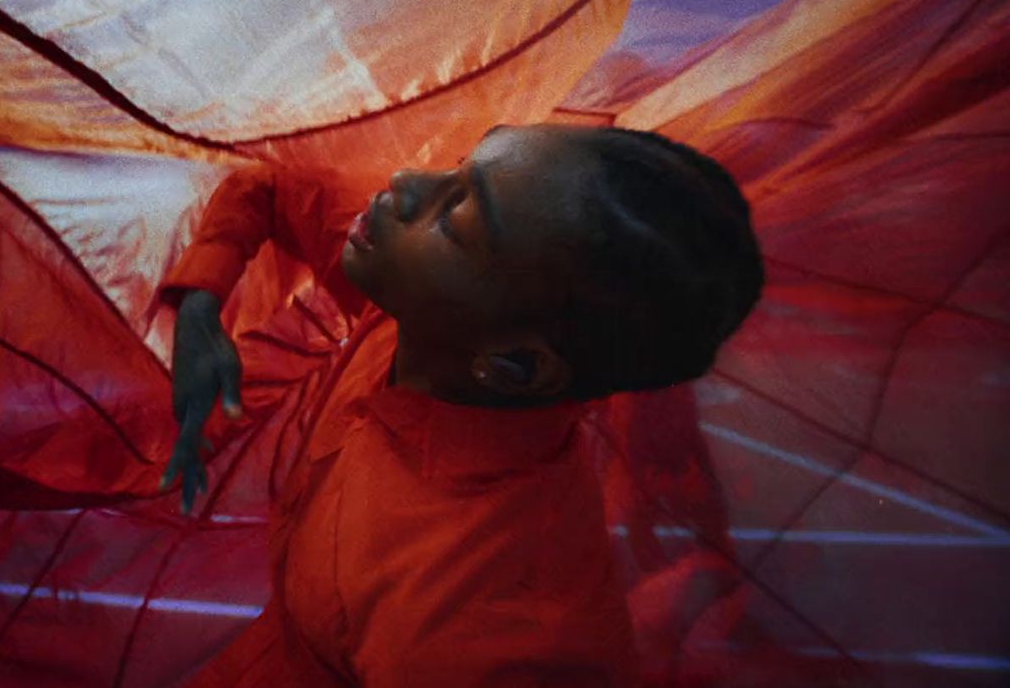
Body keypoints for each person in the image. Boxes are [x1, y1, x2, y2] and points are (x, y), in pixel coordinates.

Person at [157, 124, 764, 687]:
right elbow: (270, 187)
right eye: (456, 167)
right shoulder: (417, 317)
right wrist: (201, 304)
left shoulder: (489, 627)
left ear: (519, 366)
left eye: (455, 218)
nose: (403, 182)